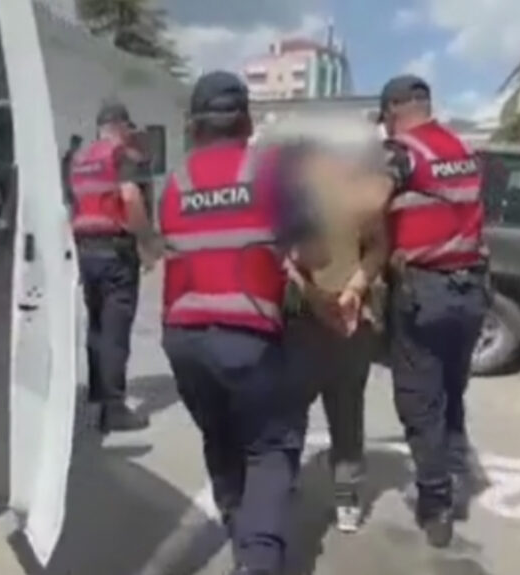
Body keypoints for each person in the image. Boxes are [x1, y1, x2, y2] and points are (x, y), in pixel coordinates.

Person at [158, 70, 327, 575]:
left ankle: (239, 527)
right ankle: (258, 559)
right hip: (248, 338)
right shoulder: (271, 172)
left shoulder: (175, 183)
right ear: (247, 122)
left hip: (182, 340)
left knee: (221, 435)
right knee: (271, 447)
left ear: (193, 126)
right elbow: (316, 252)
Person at [258, 114, 391, 534]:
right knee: (323, 411)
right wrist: (342, 294)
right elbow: (376, 247)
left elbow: (376, 246)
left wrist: (348, 290)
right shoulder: (323, 193)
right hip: (323, 317)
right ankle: (323, 492)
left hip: (337, 317)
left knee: (325, 411)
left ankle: (331, 493)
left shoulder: (323, 194)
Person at [377, 74, 490, 546]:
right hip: (471, 290)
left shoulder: (402, 152)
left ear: (394, 110)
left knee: (420, 401)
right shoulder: (462, 149)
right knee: (451, 390)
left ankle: (437, 505)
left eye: (385, 117)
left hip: (426, 290)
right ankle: (457, 471)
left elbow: (366, 203)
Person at [70, 100, 155, 432]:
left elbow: (72, 204)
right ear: (121, 127)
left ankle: (97, 393)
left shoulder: (80, 161)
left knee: (96, 326)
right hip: (116, 252)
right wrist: (147, 241)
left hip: (85, 250)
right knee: (115, 329)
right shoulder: (122, 157)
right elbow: (130, 198)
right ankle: (114, 408)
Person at [61, 133, 84, 211]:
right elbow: (66, 178)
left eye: (79, 145)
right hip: (72, 193)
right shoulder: (67, 159)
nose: (79, 147)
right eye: (78, 145)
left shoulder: (78, 159)